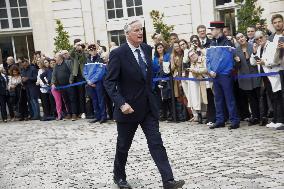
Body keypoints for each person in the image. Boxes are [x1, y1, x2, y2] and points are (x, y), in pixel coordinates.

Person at [104, 18, 185, 189]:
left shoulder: (147, 49)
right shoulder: (118, 53)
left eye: (141, 29)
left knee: (156, 143)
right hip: (128, 109)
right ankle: (119, 176)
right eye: (136, 30)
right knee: (123, 145)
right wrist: (121, 104)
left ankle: (168, 180)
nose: (140, 32)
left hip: (148, 107)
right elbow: (109, 82)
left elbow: (147, 79)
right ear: (127, 34)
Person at [206, 21, 240, 130]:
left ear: (219, 30)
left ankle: (234, 120)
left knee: (229, 98)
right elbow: (208, 59)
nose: (211, 31)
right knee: (218, 98)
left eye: (212, 29)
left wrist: (214, 70)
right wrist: (210, 70)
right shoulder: (212, 43)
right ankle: (220, 120)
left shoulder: (227, 42)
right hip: (215, 75)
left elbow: (225, 60)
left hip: (225, 74)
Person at [250, 31, 283, 129]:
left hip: (274, 75)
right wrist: (254, 52)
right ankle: (275, 119)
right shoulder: (259, 48)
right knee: (272, 97)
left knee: (278, 97)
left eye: (261, 37)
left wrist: (265, 62)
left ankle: (281, 120)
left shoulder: (272, 45)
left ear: (265, 37)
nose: (259, 40)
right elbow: (253, 63)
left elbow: (277, 60)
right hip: (265, 76)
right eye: (257, 39)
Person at [235, 33, 261, 126]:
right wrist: (237, 62)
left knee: (258, 96)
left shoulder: (253, 46)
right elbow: (236, 67)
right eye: (238, 38)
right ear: (237, 40)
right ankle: (255, 117)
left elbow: (258, 59)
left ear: (245, 37)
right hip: (244, 78)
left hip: (255, 75)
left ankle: (261, 116)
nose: (241, 39)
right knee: (251, 98)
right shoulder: (236, 51)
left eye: (242, 37)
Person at [84, 44, 107, 124]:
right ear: (89, 51)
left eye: (94, 50)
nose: (93, 52)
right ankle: (97, 116)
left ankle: (103, 116)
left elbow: (101, 72)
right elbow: (85, 71)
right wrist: (88, 80)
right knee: (94, 100)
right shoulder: (87, 60)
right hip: (90, 83)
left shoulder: (100, 59)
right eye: (91, 50)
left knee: (101, 100)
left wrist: (92, 81)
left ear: (96, 50)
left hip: (98, 82)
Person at [51, 52, 77, 121]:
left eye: (56, 57)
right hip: (61, 86)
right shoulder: (56, 66)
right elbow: (53, 75)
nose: (54, 58)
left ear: (60, 57)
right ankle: (69, 113)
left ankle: (74, 114)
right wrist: (53, 83)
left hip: (69, 85)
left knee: (72, 99)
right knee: (66, 100)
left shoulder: (67, 62)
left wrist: (71, 80)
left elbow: (72, 72)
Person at [187, 49, 208, 124]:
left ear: (196, 53)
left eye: (193, 54)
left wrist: (195, 70)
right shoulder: (192, 64)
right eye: (190, 56)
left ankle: (207, 116)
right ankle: (200, 115)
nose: (192, 56)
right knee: (198, 98)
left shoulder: (203, 59)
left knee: (206, 100)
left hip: (207, 82)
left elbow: (206, 69)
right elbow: (194, 75)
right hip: (198, 82)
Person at [153, 43, 172, 121]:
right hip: (157, 79)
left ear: (163, 48)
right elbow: (154, 69)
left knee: (168, 97)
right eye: (158, 48)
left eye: (161, 47)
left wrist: (162, 63)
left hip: (166, 79)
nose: (160, 49)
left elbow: (168, 67)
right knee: (160, 98)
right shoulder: (155, 58)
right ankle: (162, 115)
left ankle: (170, 114)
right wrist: (158, 64)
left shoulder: (167, 55)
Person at [70, 39, 87, 119]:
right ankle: (78, 112)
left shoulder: (83, 52)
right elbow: (71, 54)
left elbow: (84, 58)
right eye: (77, 45)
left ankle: (83, 111)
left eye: (79, 45)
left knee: (82, 95)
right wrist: (75, 47)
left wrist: (82, 48)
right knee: (76, 95)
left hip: (83, 76)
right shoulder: (74, 54)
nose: (79, 46)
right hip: (75, 76)